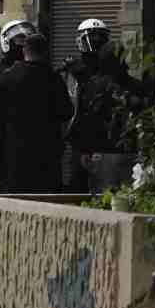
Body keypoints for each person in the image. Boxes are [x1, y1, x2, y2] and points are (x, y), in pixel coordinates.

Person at [0, 33, 74, 193]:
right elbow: (67, 112)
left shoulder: (7, 77)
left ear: (24, 50)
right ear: (45, 52)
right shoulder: (53, 78)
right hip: (47, 155)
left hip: (16, 155)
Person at [72, 41, 145, 192]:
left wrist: (85, 150)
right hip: (130, 153)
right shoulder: (136, 86)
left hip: (102, 154)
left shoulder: (94, 86)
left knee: (103, 203)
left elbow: (86, 120)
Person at [0, 20, 38, 188]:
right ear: (7, 42)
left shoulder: (37, 69)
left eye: (26, 40)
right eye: (20, 40)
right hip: (4, 132)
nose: (23, 44)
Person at [59, 18, 113, 190]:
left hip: (103, 134)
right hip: (79, 135)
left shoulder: (110, 67)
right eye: (92, 37)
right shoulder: (73, 68)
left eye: (101, 37)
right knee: (77, 183)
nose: (96, 41)